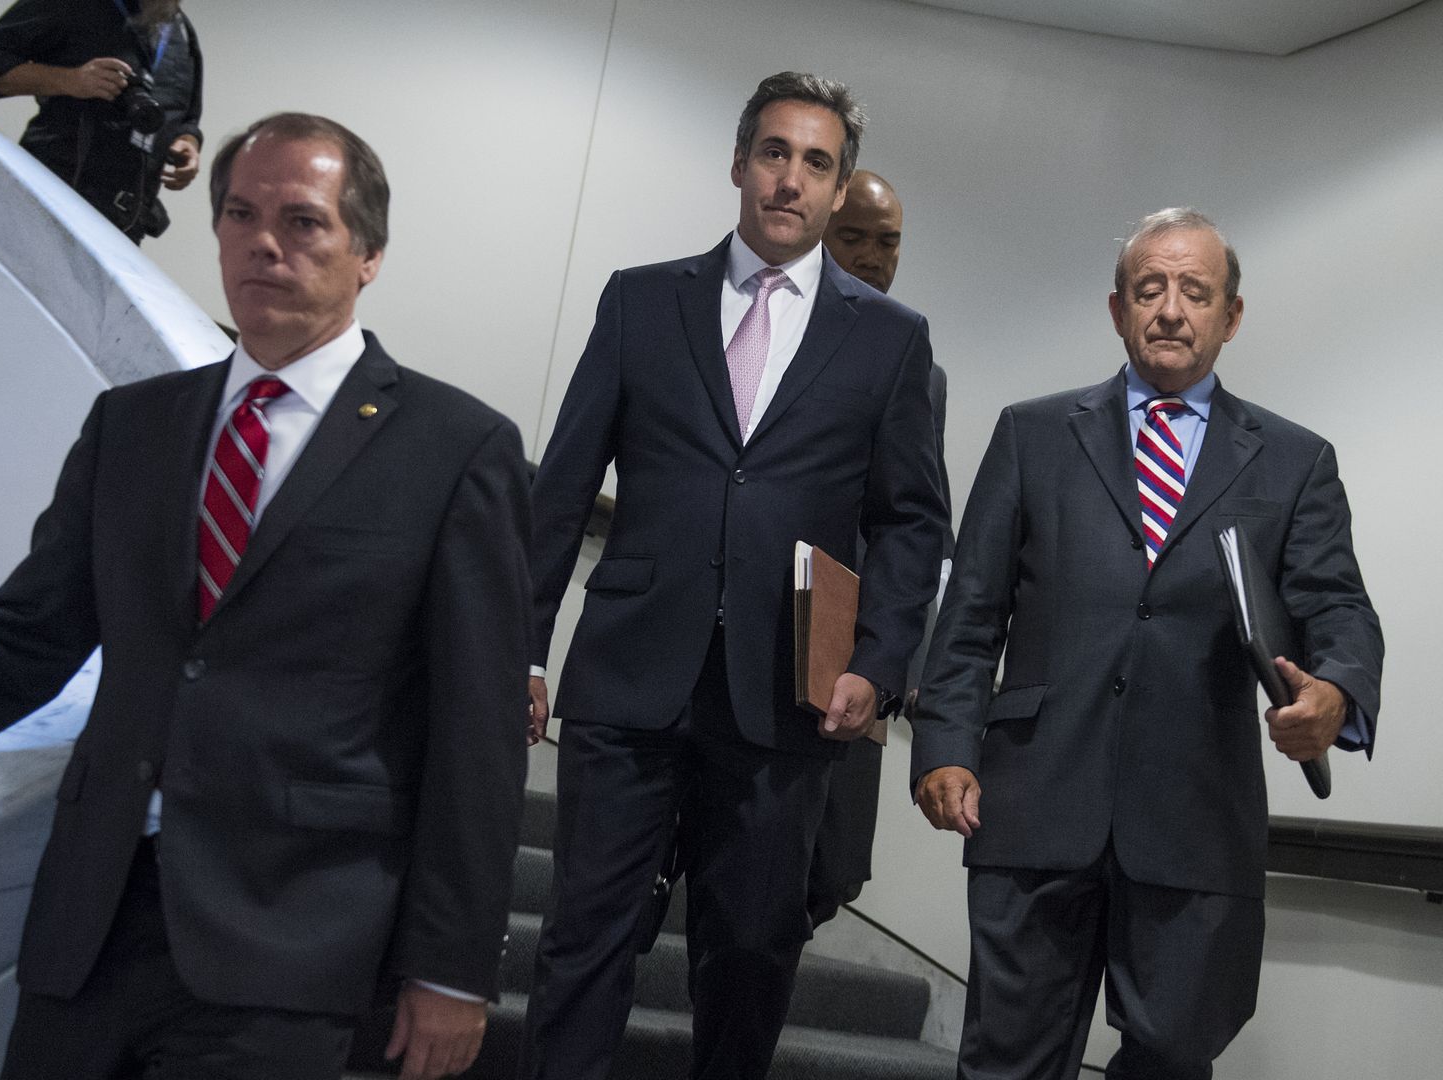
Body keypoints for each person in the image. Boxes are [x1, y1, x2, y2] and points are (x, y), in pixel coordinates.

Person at [0, 112, 532, 1080]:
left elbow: (475, 731)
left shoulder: (457, 449)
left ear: (367, 253)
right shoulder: (135, 427)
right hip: (91, 921)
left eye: (302, 220)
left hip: (288, 941)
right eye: (240, 213)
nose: (263, 242)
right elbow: (18, 642)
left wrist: (452, 969)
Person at [522, 72, 948, 1080]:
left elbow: (912, 521)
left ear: (839, 188)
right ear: (738, 163)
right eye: (773, 152)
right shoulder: (639, 300)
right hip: (628, 679)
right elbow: (563, 488)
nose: (789, 179)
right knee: (584, 941)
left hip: (782, 702)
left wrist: (879, 664)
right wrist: (519, 650)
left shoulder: (891, 342)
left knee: (749, 957)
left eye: (815, 161)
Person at [911, 208, 1383, 1080]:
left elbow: (1340, 609)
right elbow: (971, 611)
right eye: (1150, 289)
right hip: (1035, 805)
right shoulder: (1034, 433)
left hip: (1197, 824)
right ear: (1118, 308)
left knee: (1171, 1059)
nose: (1170, 309)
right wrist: (943, 745)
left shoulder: (1293, 461)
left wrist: (1337, 696)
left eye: (1195, 292)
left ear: (1231, 316)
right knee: (1006, 1062)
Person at [805, 168, 953, 928]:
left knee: (828, 870)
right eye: (853, 237)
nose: (870, 255)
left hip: (852, 647)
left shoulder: (920, 369)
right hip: (761, 621)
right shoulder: (772, 331)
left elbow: (923, 523)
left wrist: (914, 671)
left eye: (886, 242)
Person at [0, 0, 204, 242]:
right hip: (47, 200)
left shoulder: (181, 32)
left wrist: (188, 142)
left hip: (124, 225)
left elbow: (187, 116)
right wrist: (68, 80)